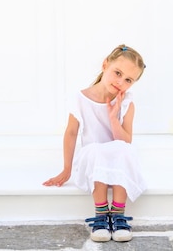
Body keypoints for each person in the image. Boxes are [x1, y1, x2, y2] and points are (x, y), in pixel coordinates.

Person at [43, 44, 147, 242]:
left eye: (128, 80)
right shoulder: (81, 98)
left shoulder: (126, 103)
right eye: (117, 73)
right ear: (105, 65)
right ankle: (101, 214)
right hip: (93, 161)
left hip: (118, 161)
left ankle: (117, 215)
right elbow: (71, 132)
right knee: (96, 150)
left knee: (123, 149)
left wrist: (114, 118)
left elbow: (126, 141)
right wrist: (66, 170)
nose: (120, 82)